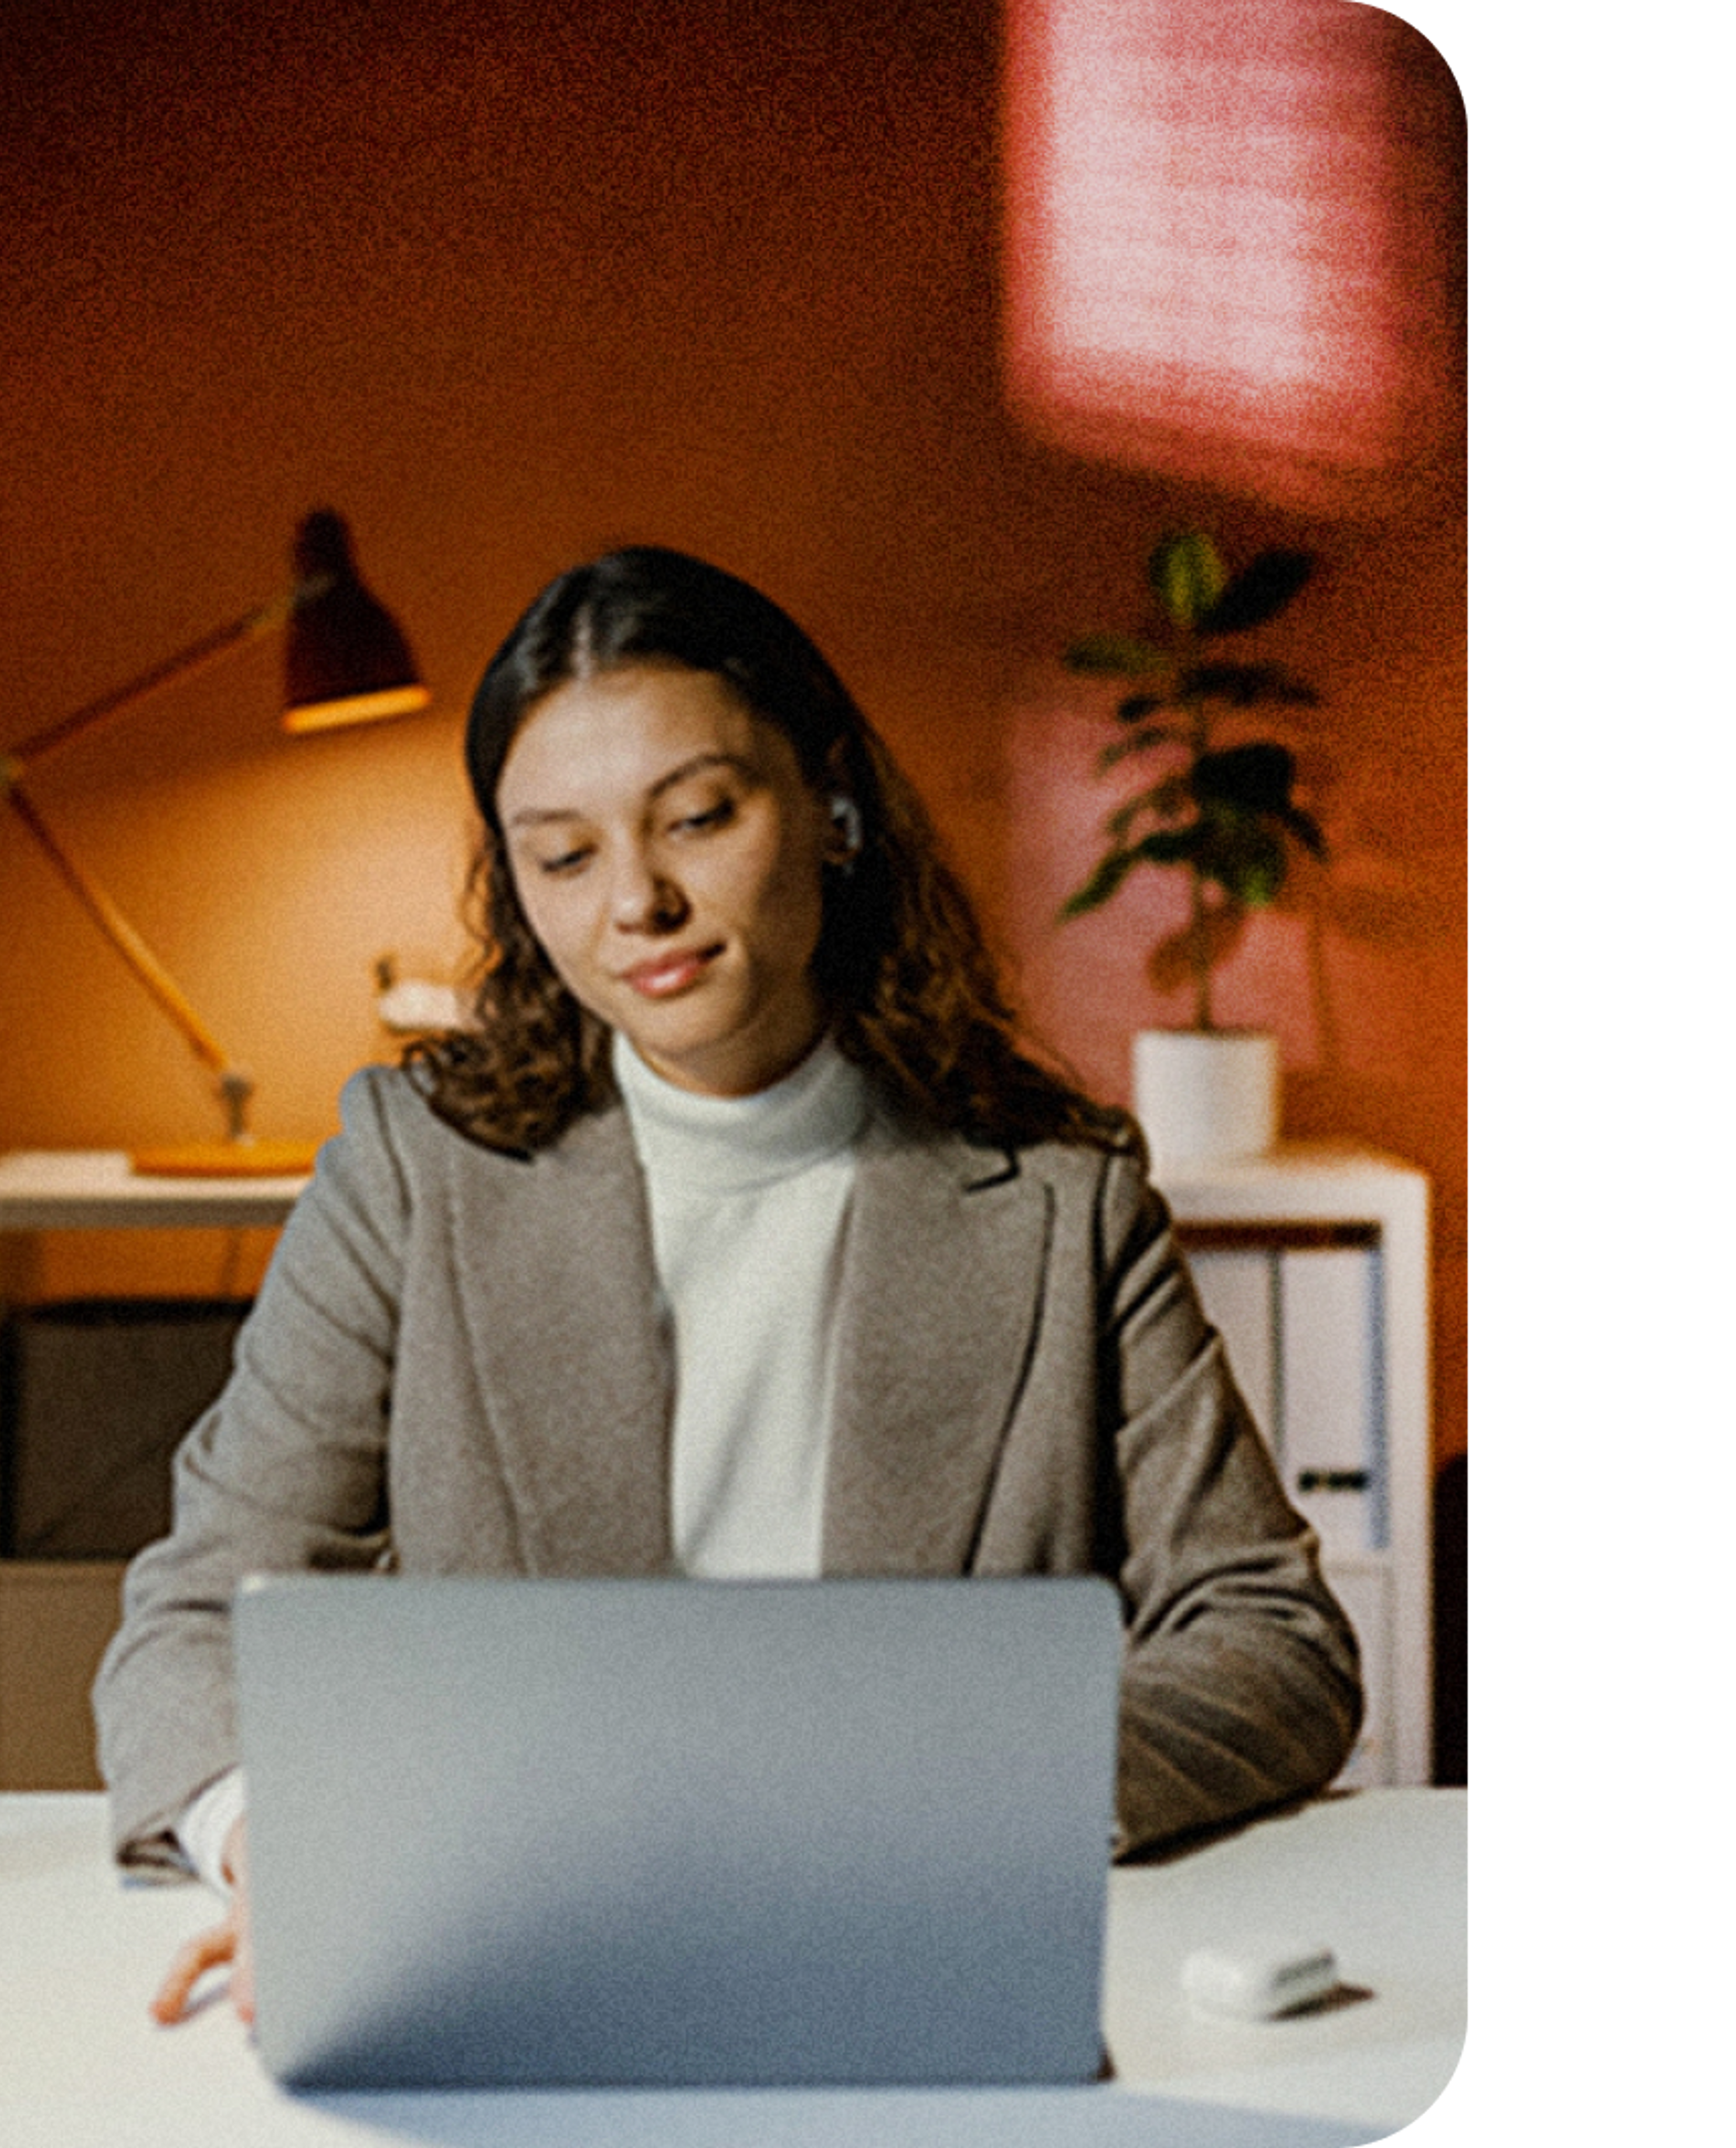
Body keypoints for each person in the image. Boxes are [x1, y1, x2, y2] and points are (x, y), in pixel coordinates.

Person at [94, 545, 1362, 2026]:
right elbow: (193, 1615)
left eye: (698, 817)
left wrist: (965, 1789)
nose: (639, 900)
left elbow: (1273, 1637)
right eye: (563, 856)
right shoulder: (413, 1166)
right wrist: (284, 1845)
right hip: (514, 1964)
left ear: (828, 805)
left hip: (921, 1964)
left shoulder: (1059, 1191)